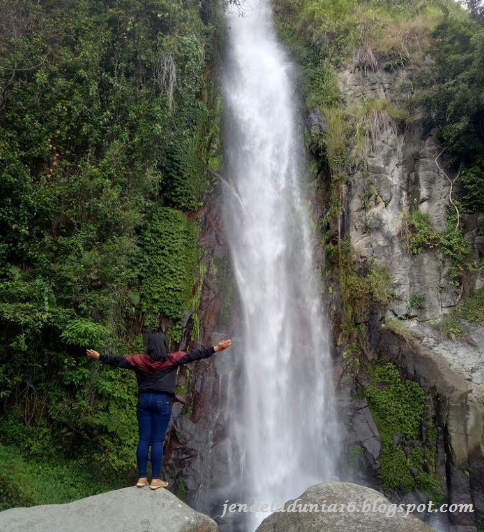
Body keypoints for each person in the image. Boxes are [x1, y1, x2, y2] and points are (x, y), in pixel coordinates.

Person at [86, 332, 232, 490]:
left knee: (144, 439)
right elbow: (194, 355)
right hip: (162, 401)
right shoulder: (172, 359)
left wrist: (99, 356)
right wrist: (216, 348)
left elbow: (118, 360)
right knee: (157, 440)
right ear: (164, 344)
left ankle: (142, 478)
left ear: (149, 345)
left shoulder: (139, 360)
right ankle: (155, 479)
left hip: (144, 400)